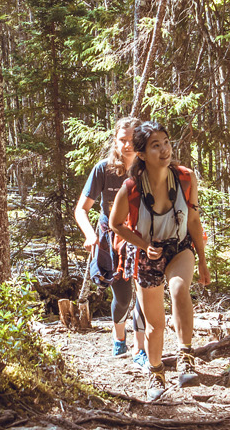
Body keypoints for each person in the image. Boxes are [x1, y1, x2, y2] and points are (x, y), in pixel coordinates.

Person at [108, 121, 210, 373]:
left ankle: (186, 355)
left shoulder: (185, 178)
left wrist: (204, 263)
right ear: (141, 154)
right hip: (147, 256)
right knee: (155, 325)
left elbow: (194, 220)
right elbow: (116, 224)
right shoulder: (130, 189)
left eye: (166, 142)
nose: (165, 149)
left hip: (180, 247)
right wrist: (144, 245)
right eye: (156, 146)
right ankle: (156, 373)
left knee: (178, 288)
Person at [77, 117, 146, 358]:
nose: (128, 145)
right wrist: (90, 235)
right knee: (124, 296)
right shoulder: (103, 170)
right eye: (122, 140)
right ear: (115, 141)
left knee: (146, 294)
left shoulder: (150, 168)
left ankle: (141, 349)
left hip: (143, 237)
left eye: (132, 140)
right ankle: (119, 338)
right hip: (112, 238)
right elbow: (81, 209)